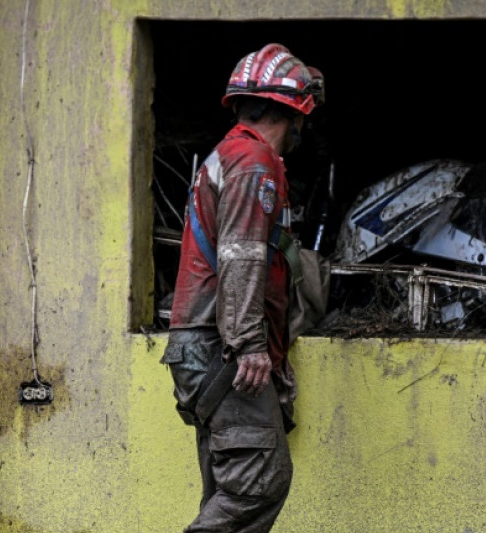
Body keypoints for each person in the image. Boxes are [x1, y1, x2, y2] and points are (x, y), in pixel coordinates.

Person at [161, 44, 323, 532]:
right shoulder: (254, 163)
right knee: (260, 482)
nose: (304, 129)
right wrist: (249, 345)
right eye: (304, 117)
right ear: (292, 113)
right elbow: (243, 254)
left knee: (231, 488)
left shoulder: (229, 155)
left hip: (203, 347)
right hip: (221, 347)